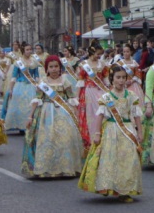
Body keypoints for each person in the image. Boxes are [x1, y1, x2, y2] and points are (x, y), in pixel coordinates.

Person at [78, 65, 142, 203]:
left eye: (124, 77)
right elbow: (100, 116)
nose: (121, 80)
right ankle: (109, 187)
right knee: (111, 159)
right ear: (112, 79)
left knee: (129, 160)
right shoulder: (106, 97)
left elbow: (136, 115)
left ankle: (126, 190)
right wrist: (96, 134)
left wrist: (139, 132)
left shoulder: (131, 96)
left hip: (127, 129)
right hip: (111, 130)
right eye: (118, 77)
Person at [22, 55, 83, 178]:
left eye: (56, 66)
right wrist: (30, 116)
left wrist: (77, 117)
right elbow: (37, 99)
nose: (54, 69)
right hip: (46, 113)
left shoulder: (65, 82)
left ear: (60, 68)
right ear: (47, 69)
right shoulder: (43, 83)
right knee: (47, 139)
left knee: (66, 139)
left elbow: (71, 99)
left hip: (64, 113)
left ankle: (66, 167)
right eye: (51, 67)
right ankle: (47, 168)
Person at [77, 44, 109, 148]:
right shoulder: (84, 65)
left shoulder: (102, 64)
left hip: (100, 91)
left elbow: (105, 78)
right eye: (98, 54)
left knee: (102, 111)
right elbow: (81, 81)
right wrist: (77, 97)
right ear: (92, 52)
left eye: (100, 54)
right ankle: (90, 137)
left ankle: (102, 134)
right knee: (90, 114)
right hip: (89, 92)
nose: (99, 56)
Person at [4, 42, 40, 133]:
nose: (29, 51)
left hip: (31, 86)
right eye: (27, 50)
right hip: (20, 85)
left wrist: (38, 85)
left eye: (30, 49)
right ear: (23, 51)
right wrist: (11, 89)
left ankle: (31, 124)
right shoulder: (18, 62)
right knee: (19, 106)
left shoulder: (34, 61)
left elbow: (37, 75)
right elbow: (14, 76)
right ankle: (20, 126)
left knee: (31, 106)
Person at [118, 44, 145, 109]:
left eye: (127, 51)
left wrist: (131, 81)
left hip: (133, 84)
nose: (126, 53)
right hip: (122, 84)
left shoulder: (134, 63)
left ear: (131, 52)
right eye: (124, 52)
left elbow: (138, 74)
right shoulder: (119, 63)